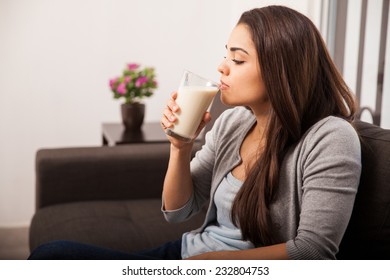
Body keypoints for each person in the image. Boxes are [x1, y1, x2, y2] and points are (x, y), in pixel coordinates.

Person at [28, 5, 361, 260]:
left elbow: (313, 251)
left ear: (280, 70)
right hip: (184, 255)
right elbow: (178, 212)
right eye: (225, 53)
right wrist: (180, 146)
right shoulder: (233, 123)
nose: (222, 66)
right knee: (53, 254)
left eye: (239, 59)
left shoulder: (330, 138)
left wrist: (214, 265)